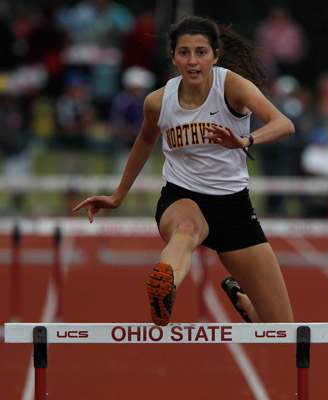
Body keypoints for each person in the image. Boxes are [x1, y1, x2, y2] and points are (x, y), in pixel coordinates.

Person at [73, 16, 295, 326]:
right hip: (182, 198)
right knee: (186, 233)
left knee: (281, 327)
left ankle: (244, 301)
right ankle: (165, 288)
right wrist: (117, 196)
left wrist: (245, 140)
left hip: (233, 206)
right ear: (173, 57)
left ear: (215, 55)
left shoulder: (232, 87)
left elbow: (285, 124)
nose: (193, 61)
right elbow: (143, 143)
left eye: (201, 52)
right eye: (184, 52)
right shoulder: (158, 101)